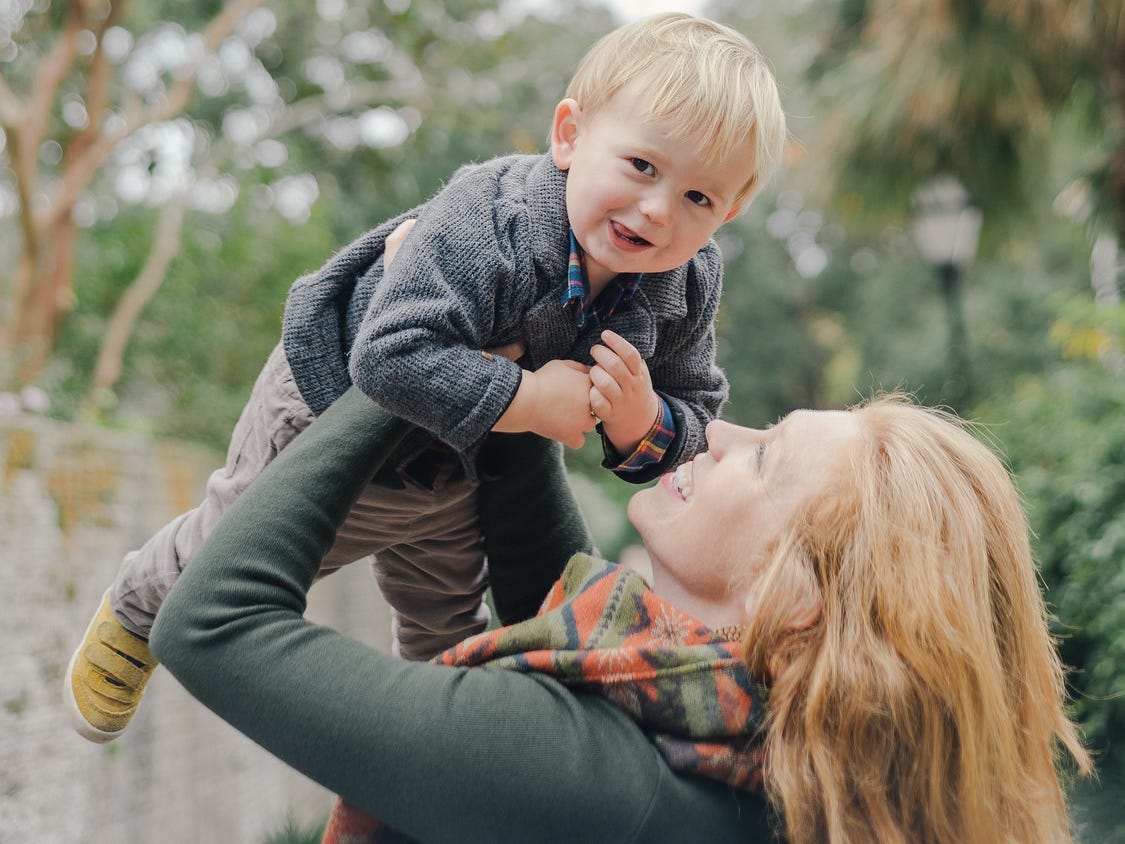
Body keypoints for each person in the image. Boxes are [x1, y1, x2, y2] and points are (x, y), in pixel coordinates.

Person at [65, 12, 788, 742]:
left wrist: (641, 424)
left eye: (699, 198)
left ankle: (436, 735)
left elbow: (696, 416)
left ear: (727, 211)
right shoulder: (489, 219)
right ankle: (136, 605)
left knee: (444, 608)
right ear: (569, 136)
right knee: (240, 537)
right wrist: (532, 399)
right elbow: (386, 355)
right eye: (641, 166)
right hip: (331, 408)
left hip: (459, 461)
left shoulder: (686, 283)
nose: (658, 209)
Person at [148, 385, 1090, 843]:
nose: (716, 435)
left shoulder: (580, 773)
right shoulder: (746, 765)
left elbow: (214, 623)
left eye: (761, 458)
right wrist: (506, 380)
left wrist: (396, 371)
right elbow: (551, 598)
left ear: (794, 597)